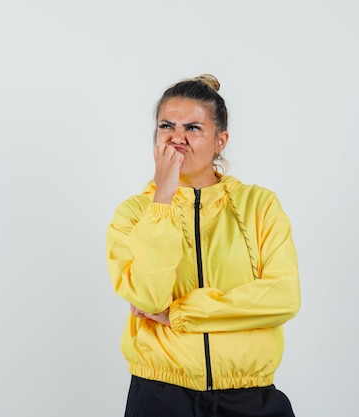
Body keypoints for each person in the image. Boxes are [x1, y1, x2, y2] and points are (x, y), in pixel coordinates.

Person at [105, 74, 301, 417]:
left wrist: (181, 313)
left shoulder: (260, 206)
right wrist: (162, 198)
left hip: (248, 396)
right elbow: (149, 298)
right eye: (167, 126)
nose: (177, 138)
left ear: (220, 140)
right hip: (160, 396)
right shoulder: (134, 214)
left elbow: (283, 297)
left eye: (193, 128)